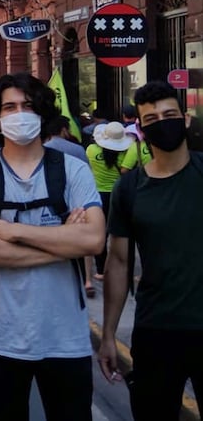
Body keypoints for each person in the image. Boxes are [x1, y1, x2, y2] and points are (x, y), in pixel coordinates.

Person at [0, 72, 104, 421]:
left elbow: (94, 239)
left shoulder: (73, 169)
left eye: (28, 106)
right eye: (9, 107)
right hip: (1, 338)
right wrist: (63, 243)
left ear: (43, 114)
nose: (19, 114)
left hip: (66, 340)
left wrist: (15, 232)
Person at [98, 80, 203, 421]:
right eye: (152, 118)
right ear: (140, 129)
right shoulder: (129, 188)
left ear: (185, 119)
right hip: (156, 330)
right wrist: (109, 334)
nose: (163, 122)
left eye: (170, 114)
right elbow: (117, 261)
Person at [86, 122, 136, 285]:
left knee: (100, 232)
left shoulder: (91, 150)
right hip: (119, 195)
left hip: (98, 195)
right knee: (121, 233)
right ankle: (125, 267)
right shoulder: (126, 152)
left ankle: (101, 270)